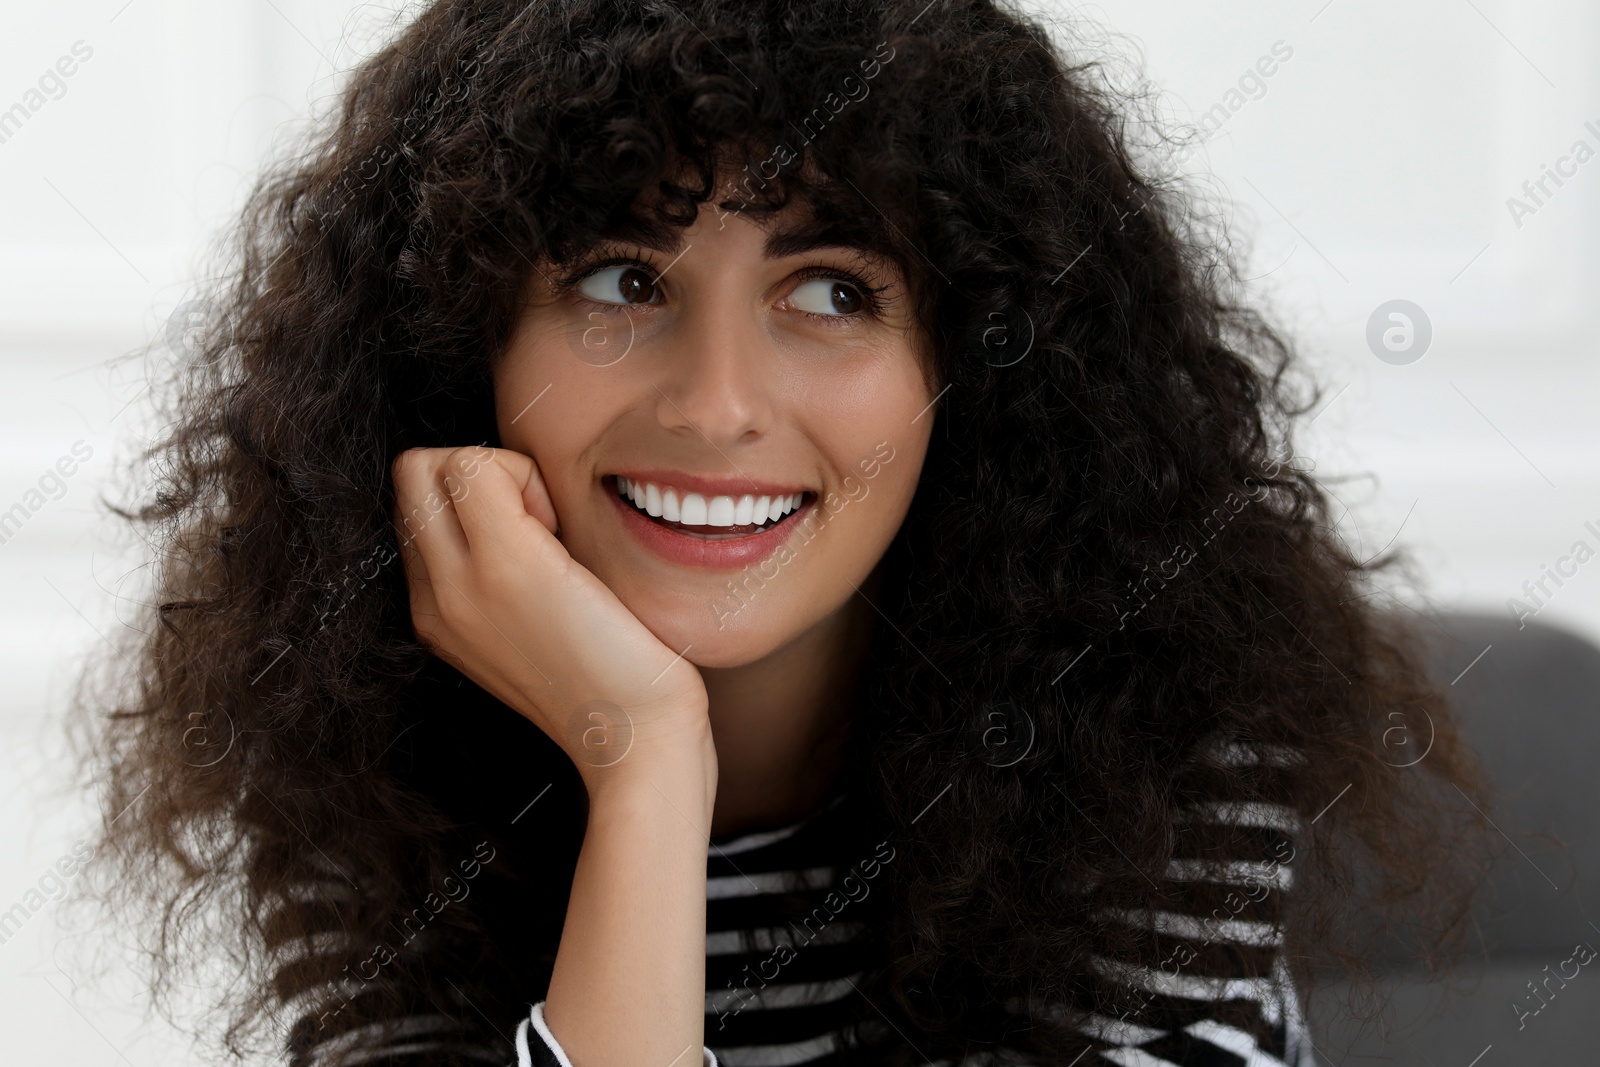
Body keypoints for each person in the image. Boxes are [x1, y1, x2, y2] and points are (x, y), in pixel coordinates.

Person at [71, 1, 1491, 1065]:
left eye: (830, 293)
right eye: (623, 279)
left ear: (973, 364)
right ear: (462, 353)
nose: (719, 407)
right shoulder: (362, 761)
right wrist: (644, 769)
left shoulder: (1158, 736)